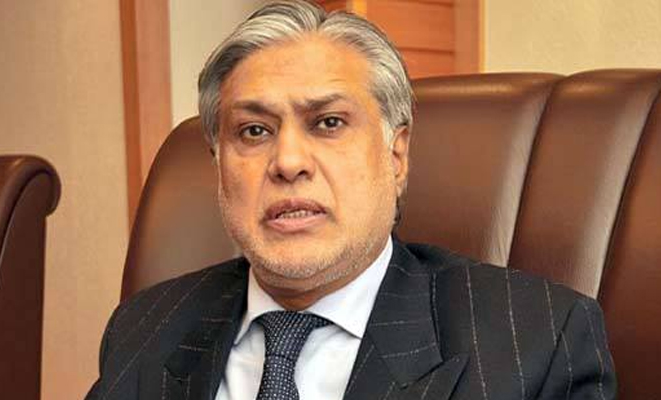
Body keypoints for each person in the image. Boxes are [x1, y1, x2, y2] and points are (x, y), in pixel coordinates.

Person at [86, 1, 617, 399]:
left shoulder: (537, 341)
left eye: (328, 123)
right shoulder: (143, 331)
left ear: (396, 155)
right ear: (218, 166)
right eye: (253, 131)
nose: (287, 161)